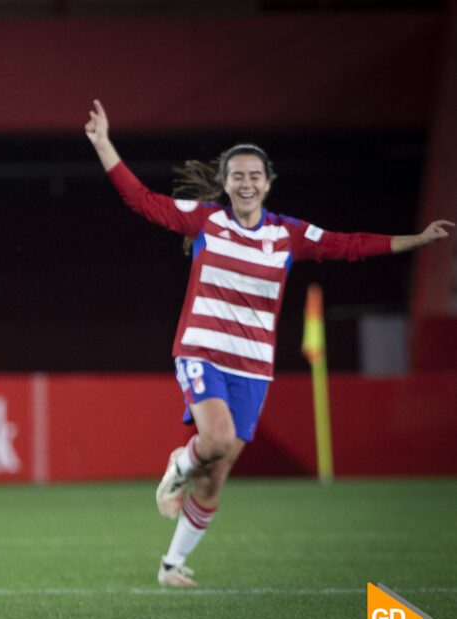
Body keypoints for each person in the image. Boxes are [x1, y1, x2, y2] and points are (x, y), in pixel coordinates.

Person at [84, 99, 454, 588]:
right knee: (212, 441)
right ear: (226, 182)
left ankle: (172, 566)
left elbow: (345, 245)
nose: (246, 182)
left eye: (254, 175)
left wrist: (415, 239)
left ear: (268, 182)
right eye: (237, 175)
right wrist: (104, 143)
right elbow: (142, 200)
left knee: (218, 474)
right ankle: (179, 464)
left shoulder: (287, 234)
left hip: (253, 367)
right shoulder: (206, 222)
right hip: (201, 351)